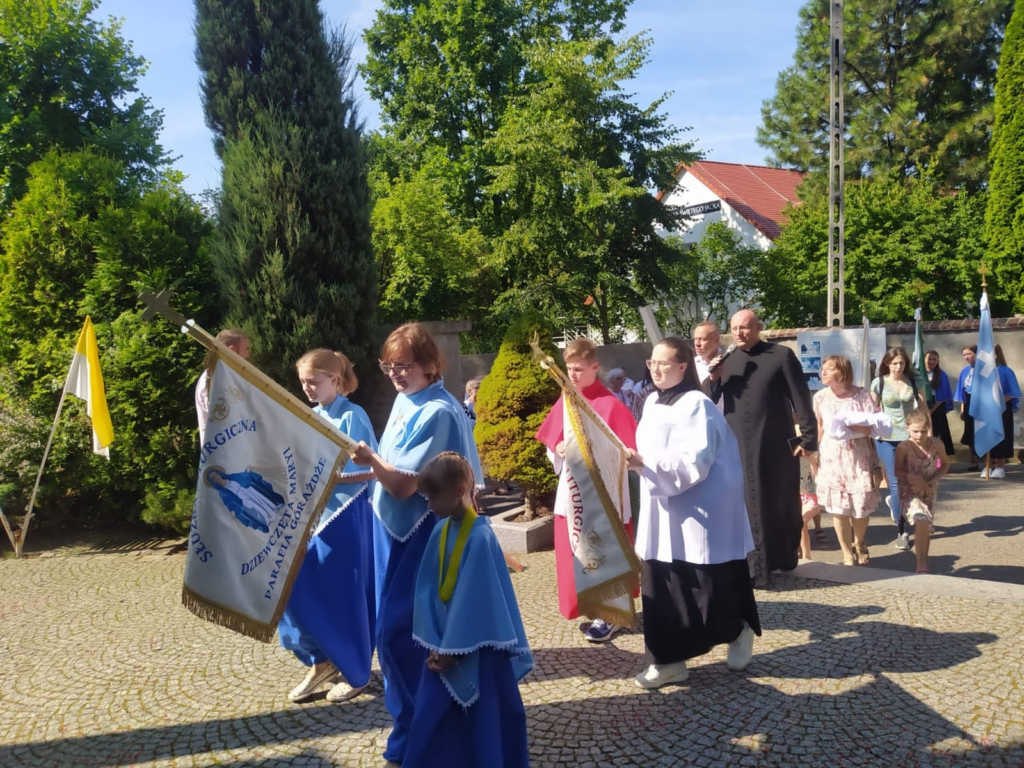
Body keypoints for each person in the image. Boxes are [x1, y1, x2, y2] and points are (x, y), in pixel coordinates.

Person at [351, 323, 483, 766]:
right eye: (388, 366)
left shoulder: (439, 412)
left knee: (404, 638)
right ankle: (411, 731)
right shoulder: (408, 399)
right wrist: (356, 472)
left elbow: (406, 485)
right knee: (396, 638)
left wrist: (369, 459)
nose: (395, 373)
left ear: (430, 365)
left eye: (404, 365)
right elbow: (390, 469)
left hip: (425, 535)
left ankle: (424, 735)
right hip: (392, 532)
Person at [627, 338, 761, 689]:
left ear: (683, 366)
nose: (655, 369)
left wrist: (645, 464)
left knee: (705, 591)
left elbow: (696, 462)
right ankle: (668, 662)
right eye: (652, 363)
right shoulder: (652, 401)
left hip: (699, 512)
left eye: (664, 363)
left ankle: (737, 630)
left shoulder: (697, 405)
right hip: (661, 510)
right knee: (660, 585)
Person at [404, 452, 532, 767]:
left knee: (485, 718)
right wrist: (433, 640)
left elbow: (477, 600)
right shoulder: (440, 530)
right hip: (441, 645)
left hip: (479, 649)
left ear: (460, 490)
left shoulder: (481, 537)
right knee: (433, 717)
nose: (429, 505)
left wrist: (452, 650)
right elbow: (426, 588)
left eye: (434, 497)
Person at [279, 349, 378, 704]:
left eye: (312, 381)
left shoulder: (353, 416)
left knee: (345, 596)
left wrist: (332, 479)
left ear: (334, 379)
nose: (306, 388)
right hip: (313, 518)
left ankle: (356, 671)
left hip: (346, 517)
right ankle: (320, 660)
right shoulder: (311, 416)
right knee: (291, 590)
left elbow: (375, 468)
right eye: (302, 382)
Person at [704, 309, 817, 587]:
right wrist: (713, 378)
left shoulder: (781, 356)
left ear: (758, 328)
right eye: (734, 328)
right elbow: (709, 399)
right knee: (744, 503)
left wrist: (808, 438)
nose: (739, 333)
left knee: (778, 502)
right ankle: (754, 567)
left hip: (773, 443)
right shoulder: (727, 360)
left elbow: (800, 397)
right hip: (736, 446)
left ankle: (783, 556)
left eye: (744, 327)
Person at [535, 337, 637, 642]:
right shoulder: (567, 399)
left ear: (594, 367)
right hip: (573, 491)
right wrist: (558, 449)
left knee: (606, 549)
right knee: (575, 550)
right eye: (569, 369)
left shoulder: (611, 404)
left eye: (578, 369)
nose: (573, 374)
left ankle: (611, 614)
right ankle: (588, 605)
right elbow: (552, 441)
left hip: (605, 496)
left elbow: (627, 452)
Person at [813, 356, 884, 567]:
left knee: (860, 507)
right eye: (823, 368)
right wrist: (815, 454)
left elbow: (875, 427)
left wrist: (853, 426)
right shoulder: (820, 397)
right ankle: (846, 554)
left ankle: (859, 541)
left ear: (842, 372)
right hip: (832, 457)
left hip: (859, 456)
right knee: (838, 509)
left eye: (829, 368)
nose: (823, 372)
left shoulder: (862, 395)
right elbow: (820, 425)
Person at [870, 348, 927, 551]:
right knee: (896, 483)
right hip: (886, 438)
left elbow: (923, 409)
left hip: (909, 437)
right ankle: (902, 530)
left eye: (901, 363)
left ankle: (897, 506)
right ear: (887, 363)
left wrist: (928, 435)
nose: (898, 367)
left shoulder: (914, 381)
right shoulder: (879, 383)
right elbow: (871, 412)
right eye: (894, 363)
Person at [895, 410, 950, 573]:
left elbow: (945, 464)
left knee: (925, 527)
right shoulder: (903, 447)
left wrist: (935, 478)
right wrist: (912, 478)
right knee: (921, 521)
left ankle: (923, 558)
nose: (919, 435)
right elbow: (897, 471)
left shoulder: (937, 444)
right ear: (907, 428)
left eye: (923, 431)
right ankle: (921, 564)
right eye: (915, 431)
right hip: (909, 491)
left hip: (929, 491)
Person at [196, 328, 250, 443]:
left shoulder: (228, 376)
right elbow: (223, 420)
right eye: (246, 349)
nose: (248, 356)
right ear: (232, 350)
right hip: (226, 450)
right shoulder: (213, 379)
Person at [982, 345, 1022, 479]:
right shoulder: (982, 371)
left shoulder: (1006, 371)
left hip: (1002, 409)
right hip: (986, 409)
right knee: (986, 436)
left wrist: (997, 403)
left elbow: (1012, 392)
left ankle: (1000, 466)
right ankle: (988, 465)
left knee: (1002, 436)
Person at [925, 350, 956, 457]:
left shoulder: (942, 375)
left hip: (937, 407)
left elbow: (943, 395)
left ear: (938, 361)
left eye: (934, 359)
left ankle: (939, 458)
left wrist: (931, 410)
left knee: (938, 434)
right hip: (922, 404)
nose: (931, 361)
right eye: (929, 359)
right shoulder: (919, 374)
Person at [954, 345, 979, 471]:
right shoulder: (965, 371)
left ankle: (990, 460)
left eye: (969, 354)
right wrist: (963, 409)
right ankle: (973, 459)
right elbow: (963, 391)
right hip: (969, 401)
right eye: (964, 355)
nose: (966, 357)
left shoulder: (984, 369)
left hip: (981, 402)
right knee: (970, 431)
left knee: (981, 430)